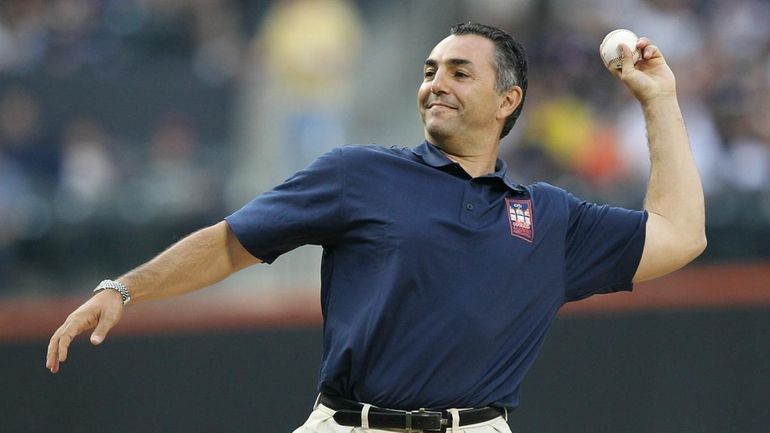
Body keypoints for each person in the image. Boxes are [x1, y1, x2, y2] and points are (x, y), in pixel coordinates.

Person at [46, 22, 706, 432]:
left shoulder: (551, 218)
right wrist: (122, 287)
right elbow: (228, 242)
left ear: (508, 101)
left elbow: (680, 233)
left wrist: (661, 99)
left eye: (458, 71)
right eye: (427, 71)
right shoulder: (359, 174)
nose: (434, 83)